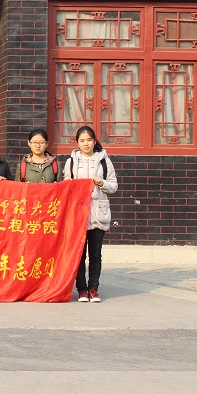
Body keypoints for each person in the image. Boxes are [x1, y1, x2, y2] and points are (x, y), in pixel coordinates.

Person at [64, 125, 118, 303]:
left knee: (95, 254)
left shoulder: (104, 161)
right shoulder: (72, 161)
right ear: (77, 143)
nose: (86, 143)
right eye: (82, 140)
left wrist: (101, 183)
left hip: (97, 213)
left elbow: (114, 186)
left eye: (89, 140)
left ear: (94, 141)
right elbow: (66, 185)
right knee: (79, 254)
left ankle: (94, 288)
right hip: (78, 213)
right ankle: (81, 289)